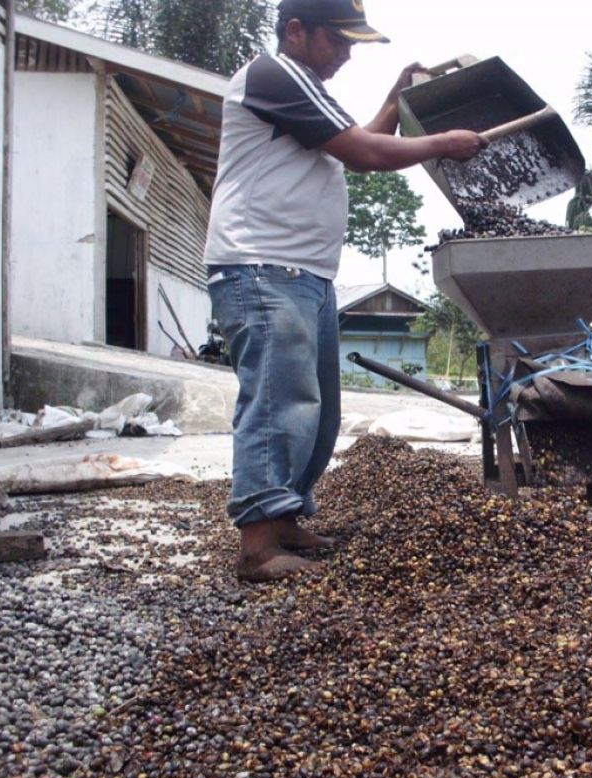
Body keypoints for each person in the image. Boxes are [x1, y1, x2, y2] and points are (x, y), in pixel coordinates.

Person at [204, 0, 487, 582]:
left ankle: (284, 521)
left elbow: (356, 147)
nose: (347, 53)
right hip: (262, 267)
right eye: (339, 41)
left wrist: (395, 99)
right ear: (296, 31)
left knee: (318, 414)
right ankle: (257, 547)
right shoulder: (273, 74)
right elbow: (365, 153)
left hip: (304, 274)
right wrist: (442, 143)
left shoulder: (306, 88)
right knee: (278, 404)